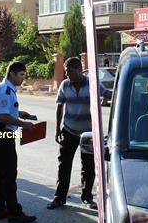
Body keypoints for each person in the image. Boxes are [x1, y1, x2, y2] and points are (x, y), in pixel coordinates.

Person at [47, 58, 109, 210]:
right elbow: (59, 107)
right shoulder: (65, 85)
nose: (67, 74)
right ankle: (59, 197)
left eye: (70, 71)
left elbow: (107, 94)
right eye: (66, 71)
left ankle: (87, 197)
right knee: (64, 165)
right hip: (69, 131)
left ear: (79, 70)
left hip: (88, 134)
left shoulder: (92, 84)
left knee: (88, 167)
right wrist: (57, 130)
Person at [0, 61, 36, 223]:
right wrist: (24, 124)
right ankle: (14, 212)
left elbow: (6, 111)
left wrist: (21, 114)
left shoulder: (3, 88)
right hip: (2, 135)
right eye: (21, 74)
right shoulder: (6, 90)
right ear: (12, 74)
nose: (23, 78)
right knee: (8, 175)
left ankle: (0, 209)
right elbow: (2, 116)